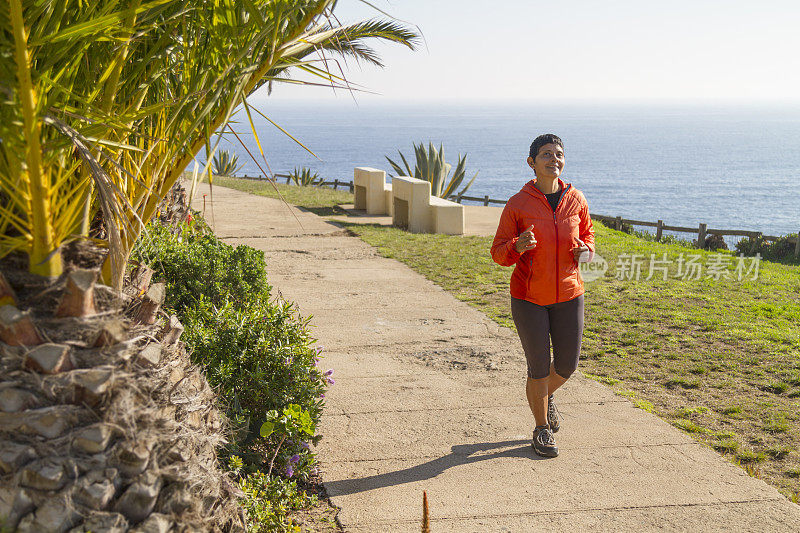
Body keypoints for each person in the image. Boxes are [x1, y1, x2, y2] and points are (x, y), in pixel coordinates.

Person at [490, 133, 595, 458]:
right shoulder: (518, 204)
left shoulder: (576, 199)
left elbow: (588, 235)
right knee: (537, 368)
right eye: (546, 154)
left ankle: (544, 398)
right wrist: (516, 247)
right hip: (529, 298)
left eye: (558, 154)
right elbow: (498, 252)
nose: (554, 159)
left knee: (566, 365)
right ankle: (541, 429)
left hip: (569, 293)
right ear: (532, 162)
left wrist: (586, 251)